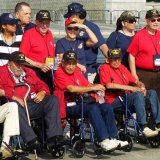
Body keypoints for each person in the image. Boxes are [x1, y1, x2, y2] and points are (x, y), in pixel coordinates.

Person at [54, 50, 129, 152]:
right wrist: (92, 88)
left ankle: (113, 137)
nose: (71, 66)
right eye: (68, 64)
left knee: (106, 106)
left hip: (81, 103)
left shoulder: (76, 71)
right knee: (92, 108)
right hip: (68, 106)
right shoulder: (59, 72)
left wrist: (97, 87)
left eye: (73, 63)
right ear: (63, 63)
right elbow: (71, 88)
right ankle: (103, 140)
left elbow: (87, 84)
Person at [0, 51, 64, 154]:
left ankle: (54, 138)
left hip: (31, 103)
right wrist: (13, 96)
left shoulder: (28, 71)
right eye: (17, 64)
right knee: (15, 106)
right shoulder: (2, 71)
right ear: (9, 63)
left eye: (22, 64)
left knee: (52, 99)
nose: (20, 67)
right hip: (14, 105)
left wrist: (42, 92)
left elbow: (42, 85)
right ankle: (31, 140)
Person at [99, 48, 160, 137]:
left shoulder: (122, 67)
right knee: (137, 95)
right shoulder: (104, 68)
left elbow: (135, 81)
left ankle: (157, 123)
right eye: (114, 59)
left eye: (118, 59)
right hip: (114, 101)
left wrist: (140, 85)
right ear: (108, 60)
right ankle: (143, 126)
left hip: (128, 99)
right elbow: (109, 85)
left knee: (152, 93)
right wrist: (132, 88)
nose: (116, 61)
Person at [64, 2, 108, 83]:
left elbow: (102, 46)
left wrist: (110, 60)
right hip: (72, 68)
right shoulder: (72, 26)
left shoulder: (91, 27)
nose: (68, 18)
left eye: (69, 16)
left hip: (87, 70)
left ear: (75, 16)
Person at [19, 10, 55, 93]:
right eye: (42, 22)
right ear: (36, 22)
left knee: (50, 97)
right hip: (34, 73)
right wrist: (39, 65)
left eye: (47, 22)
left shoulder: (49, 34)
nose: (44, 25)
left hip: (48, 72)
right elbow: (21, 57)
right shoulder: (29, 34)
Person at [127, 9, 160, 98]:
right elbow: (131, 56)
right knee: (147, 100)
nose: (156, 22)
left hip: (158, 73)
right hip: (144, 74)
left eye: (158, 20)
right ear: (146, 21)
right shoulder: (139, 35)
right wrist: (134, 75)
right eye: (153, 20)